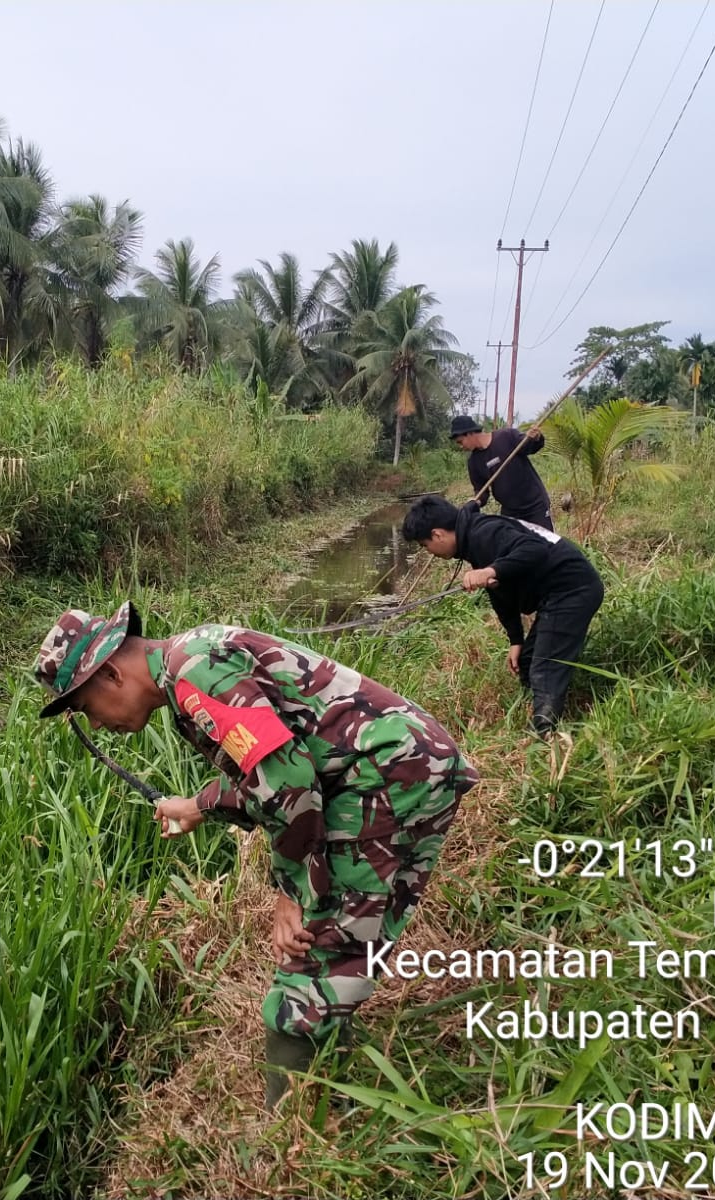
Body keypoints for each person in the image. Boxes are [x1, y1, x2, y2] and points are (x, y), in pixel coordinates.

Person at [33, 601, 476, 1109]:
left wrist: (290, 892)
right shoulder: (188, 662)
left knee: (310, 953)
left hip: (387, 777)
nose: (97, 725)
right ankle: (333, 1080)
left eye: (86, 708)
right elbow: (271, 765)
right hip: (402, 767)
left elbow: (289, 787)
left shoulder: (195, 673)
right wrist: (199, 805)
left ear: (110, 673)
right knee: (338, 942)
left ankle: (293, 1134)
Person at [402, 495, 603, 736]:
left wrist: (490, 569)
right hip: (556, 595)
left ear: (437, 534)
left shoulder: (485, 532)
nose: (429, 552)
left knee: (545, 667)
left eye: (425, 545)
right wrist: (516, 640)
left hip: (573, 589)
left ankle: (544, 732)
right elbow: (500, 590)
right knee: (527, 664)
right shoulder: (472, 540)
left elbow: (534, 548)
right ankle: (541, 706)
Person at [449, 413, 554, 529]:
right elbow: (481, 491)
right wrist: (476, 501)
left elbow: (530, 447)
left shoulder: (506, 436)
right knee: (516, 546)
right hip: (511, 512)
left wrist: (535, 438)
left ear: (469, 433)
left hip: (535, 505)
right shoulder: (473, 462)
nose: (460, 446)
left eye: (460, 441)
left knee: (546, 543)